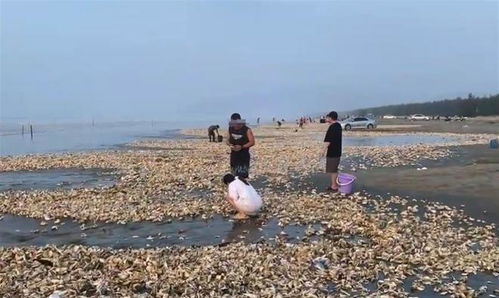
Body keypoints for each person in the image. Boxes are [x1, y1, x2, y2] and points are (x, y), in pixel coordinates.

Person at [226, 113, 255, 178]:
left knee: (243, 176)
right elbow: (227, 140)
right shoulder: (230, 128)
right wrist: (230, 145)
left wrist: (242, 147)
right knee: (234, 175)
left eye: (236, 123)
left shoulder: (247, 130)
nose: (234, 125)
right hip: (233, 155)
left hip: (243, 156)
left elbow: (252, 142)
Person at [323, 111, 342, 192]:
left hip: (332, 152)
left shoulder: (332, 127)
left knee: (332, 170)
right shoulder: (338, 125)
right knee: (334, 169)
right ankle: (335, 184)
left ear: (331, 118)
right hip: (338, 151)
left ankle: (334, 186)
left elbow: (328, 141)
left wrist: (322, 151)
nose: (327, 119)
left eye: (328, 117)